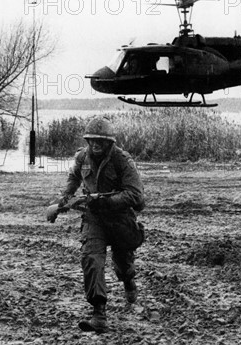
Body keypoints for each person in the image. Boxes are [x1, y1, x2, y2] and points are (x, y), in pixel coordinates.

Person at [59, 117, 145, 333]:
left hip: (119, 219)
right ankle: (99, 314)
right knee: (91, 259)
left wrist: (107, 200)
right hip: (93, 217)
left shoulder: (122, 160)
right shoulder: (82, 157)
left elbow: (136, 195)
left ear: (109, 143)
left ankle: (128, 281)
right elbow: (73, 178)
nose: (95, 145)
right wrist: (64, 199)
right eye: (91, 141)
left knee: (123, 264)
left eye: (100, 141)